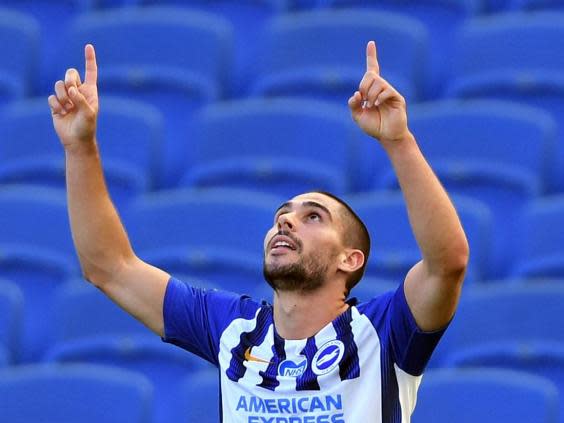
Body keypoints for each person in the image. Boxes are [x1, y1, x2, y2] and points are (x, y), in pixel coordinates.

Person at [48, 41, 469, 422]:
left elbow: (448, 262)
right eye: (282, 214)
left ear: (350, 259)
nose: (285, 221)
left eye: (313, 217)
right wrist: (79, 147)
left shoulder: (384, 332)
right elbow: (108, 267)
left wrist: (398, 141)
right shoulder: (233, 328)